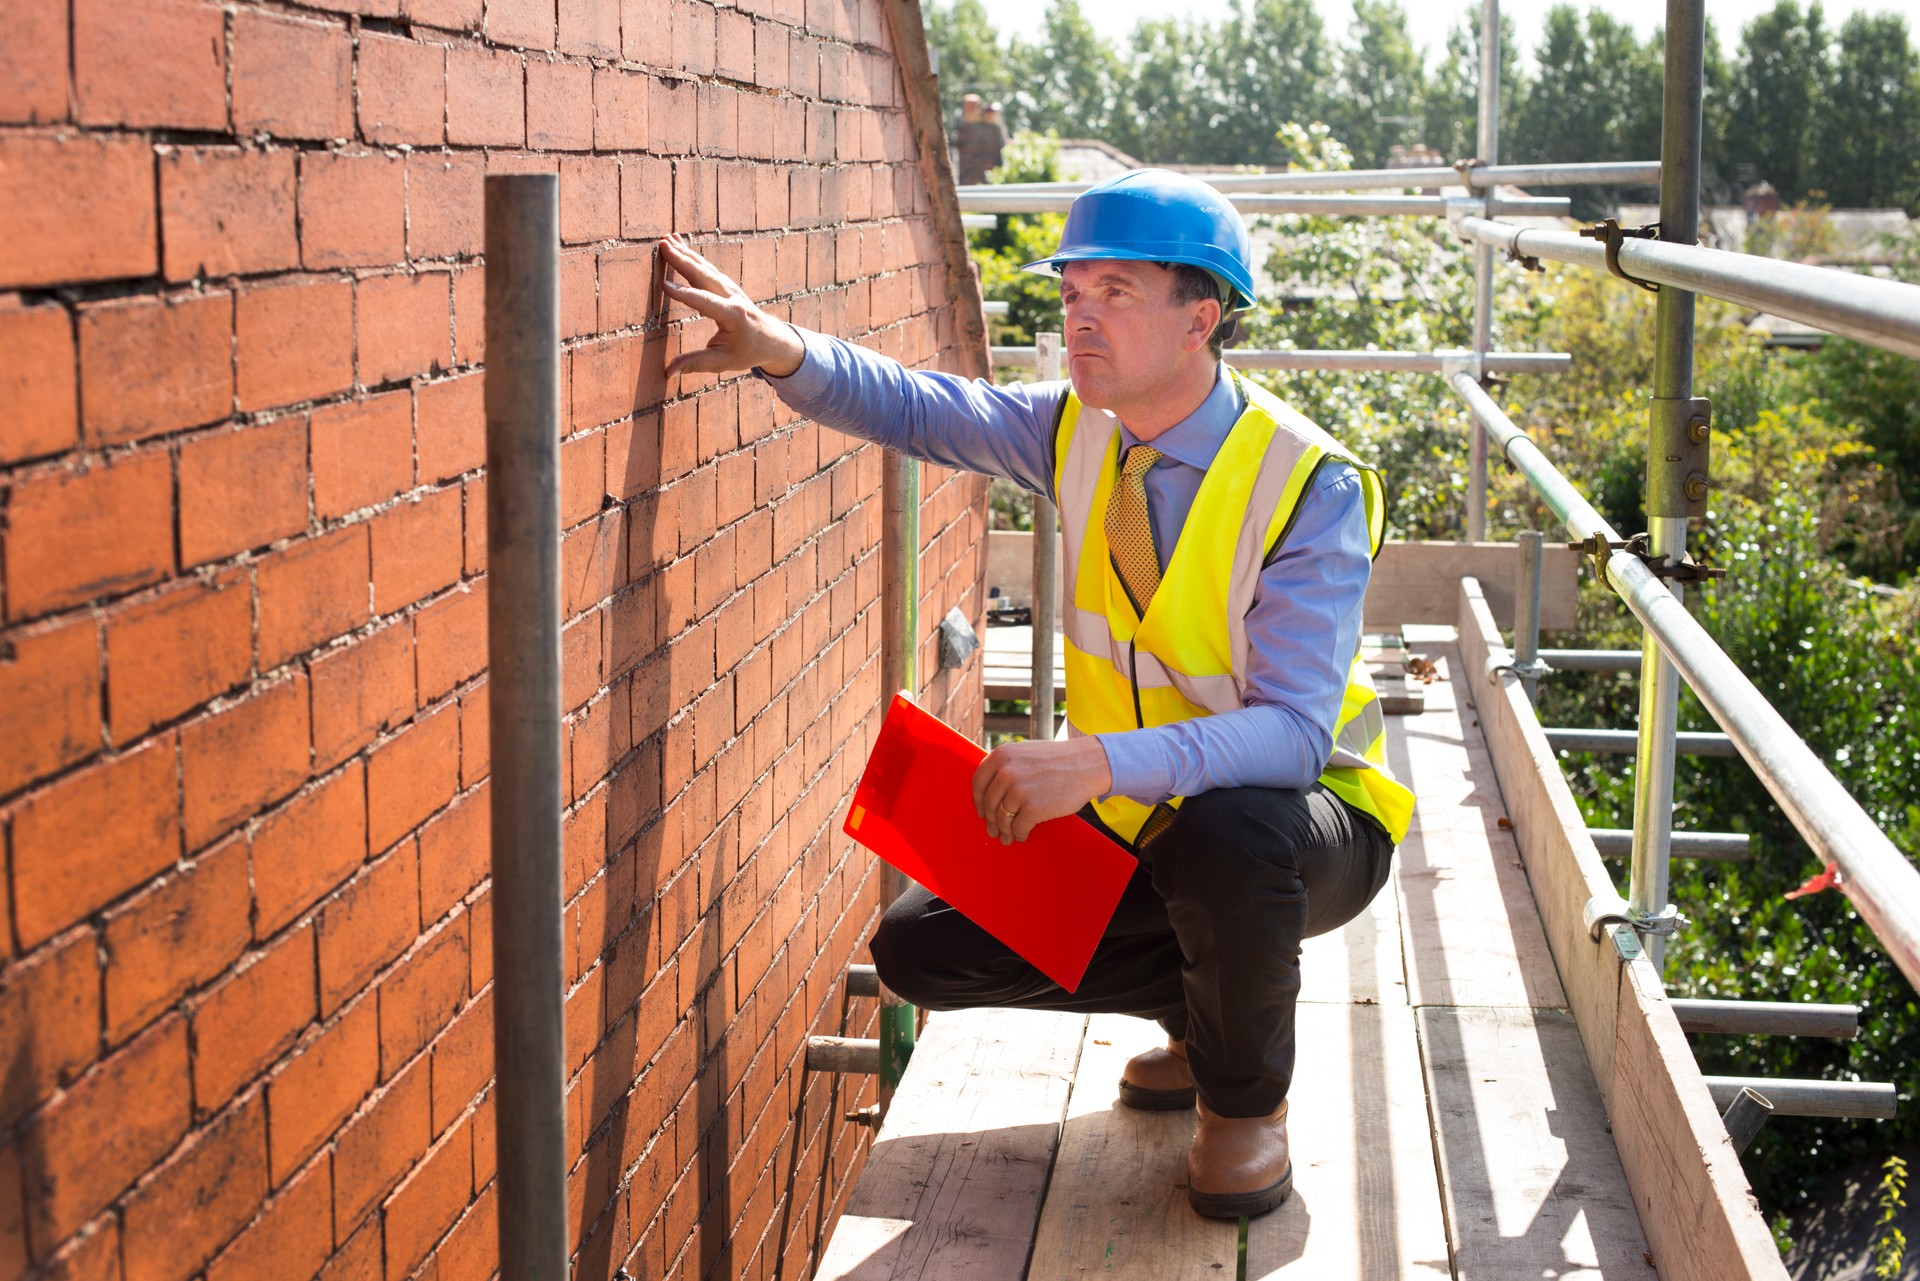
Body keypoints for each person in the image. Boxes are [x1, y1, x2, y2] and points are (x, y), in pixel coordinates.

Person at [658, 169, 1415, 1219]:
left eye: (1114, 293)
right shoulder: (1077, 429)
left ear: (1202, 318)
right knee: (922, 950)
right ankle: (1204, 1017)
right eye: (1070, 296)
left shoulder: (1308, 484)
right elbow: (930, 411)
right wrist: (781, 349)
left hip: (1306, 827)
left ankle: (1242, 1108)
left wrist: (1092, 762)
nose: (1079, 320)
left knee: (1229, 837)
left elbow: (1290, 738)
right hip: (1142, 820)